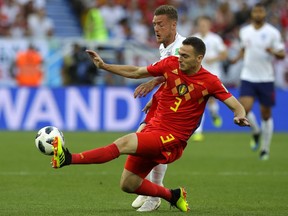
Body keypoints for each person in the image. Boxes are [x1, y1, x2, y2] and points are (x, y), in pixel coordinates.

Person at [51, 36, 250, 213]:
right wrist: (105, 66)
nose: (180, 58)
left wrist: (239, 116)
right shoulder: (170, 64)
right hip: (154, 128)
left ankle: (67, 158)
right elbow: (137, 72)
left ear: (199, 59)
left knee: (124, 143)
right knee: (128, 184)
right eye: (180, 54)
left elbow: (236, 105)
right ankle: (173, 196)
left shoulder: (210, 81)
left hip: (172, 138)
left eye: (186, 56)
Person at [130, 5, 186, 212]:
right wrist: (155, 98)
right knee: (142, 138)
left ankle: (153, 194)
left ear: (173, 25)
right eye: (154, 24)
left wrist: (151, 84)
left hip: (177, 103)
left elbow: (174, 73)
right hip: (165, 98)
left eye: (160, 24)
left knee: (148, 142)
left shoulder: (182, 47)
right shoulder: (165, 47)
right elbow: (166, 75)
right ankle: (150, 192)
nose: (156, 28)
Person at [230, 3, 285, 160]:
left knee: (266, 114)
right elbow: (243, 48)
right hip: (248, 76)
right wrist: (236, 59)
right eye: (256, 11)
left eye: (261, 11)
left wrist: (272, 51)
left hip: (266, 78)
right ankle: (255, 131)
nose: (258, 14)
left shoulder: (272, 33)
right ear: (252, 14)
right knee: (244, 109)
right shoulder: (245, 31)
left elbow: (281, 54)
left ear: (264, 14)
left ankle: (265, 149)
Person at [192, 15, 228, 141]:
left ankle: (214, 113)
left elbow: (224, 54)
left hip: (213, 73)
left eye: (204, 25)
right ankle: (198, 132)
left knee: (211, 99)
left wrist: (213, 58)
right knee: (199, 101)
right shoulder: (194, 38)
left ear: (209, 25)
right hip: (198, 74)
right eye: (200, 24)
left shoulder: (215, 39)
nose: (202, 27)